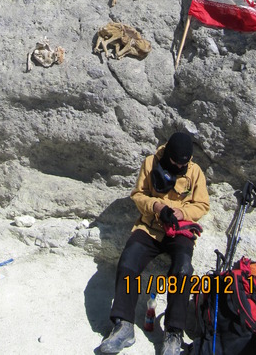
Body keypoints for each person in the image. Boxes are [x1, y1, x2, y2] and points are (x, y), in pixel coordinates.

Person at [100, 132, 210, 355]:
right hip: (150, 228)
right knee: (129, 262)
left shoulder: (195, 172)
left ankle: (173, 334)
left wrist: (182, 212)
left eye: (184, 162)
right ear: (168, 154)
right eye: (175, 161)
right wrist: (157, 207)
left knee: (182, 269)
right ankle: (123, 326)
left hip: (179, 231)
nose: (180, 165)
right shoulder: (150, 163)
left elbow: (202, 205)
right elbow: (138, 195)